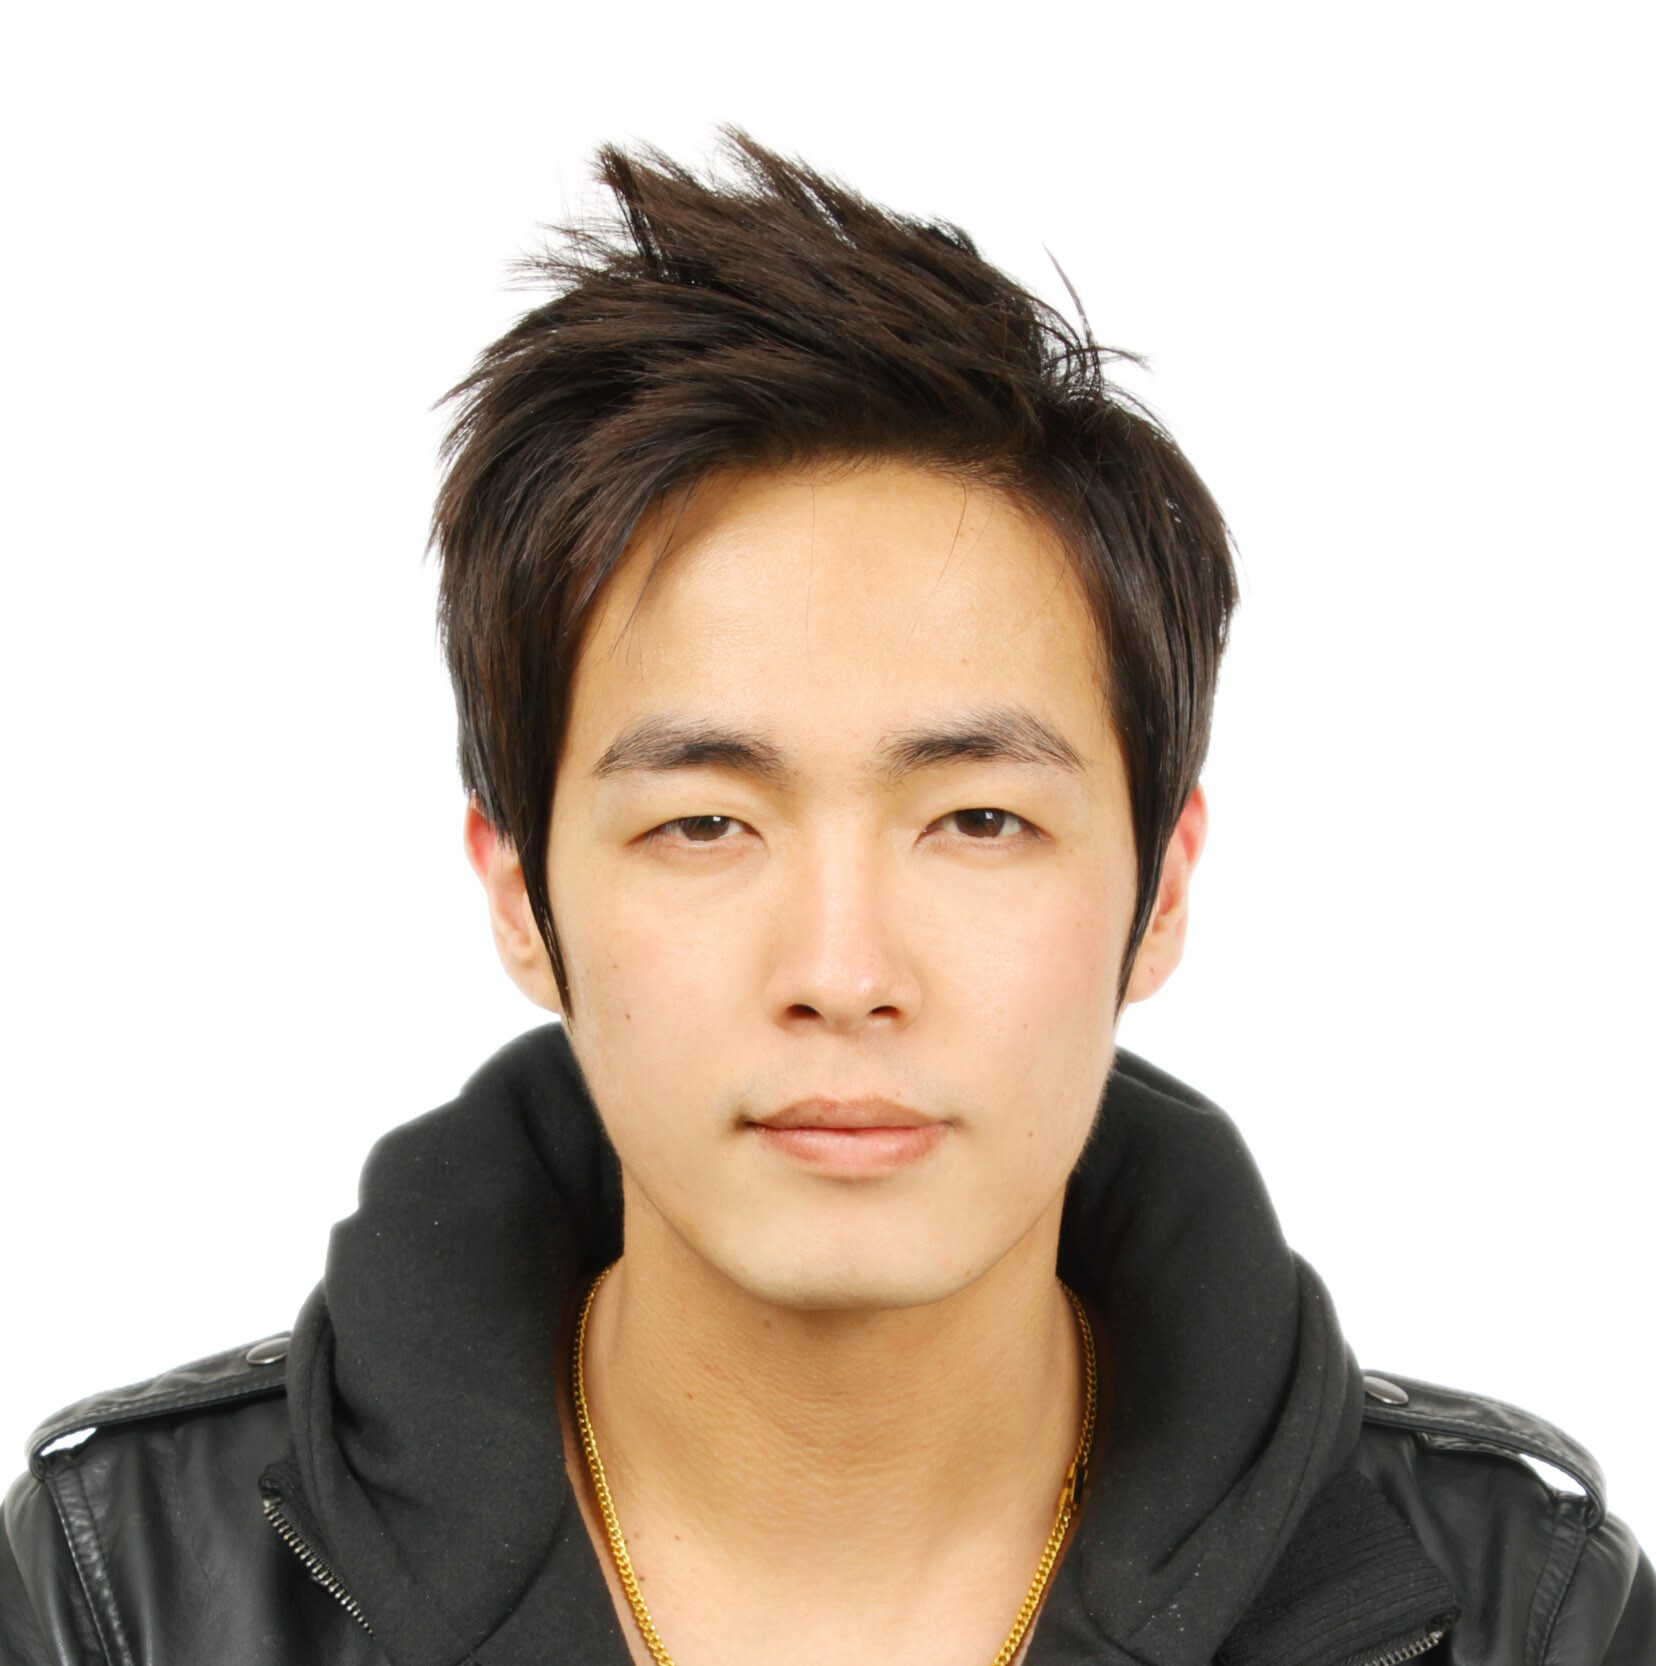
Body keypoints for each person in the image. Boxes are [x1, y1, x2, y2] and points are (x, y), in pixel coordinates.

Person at [2, 132, 1649, 1666]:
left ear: (1161, 889)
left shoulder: (1525, 1613)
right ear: (518, 893)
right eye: (706, 823)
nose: (844, 970)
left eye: (980, 818)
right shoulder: (121, 1595)